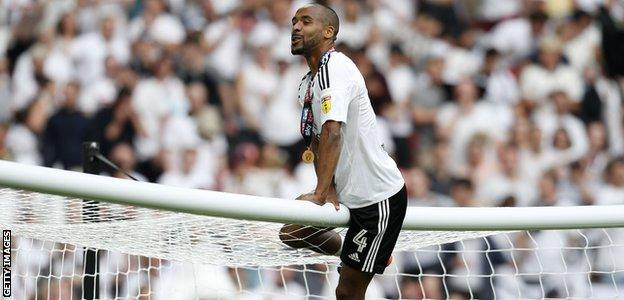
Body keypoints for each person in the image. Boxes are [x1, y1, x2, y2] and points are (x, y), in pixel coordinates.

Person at [279, 4, 407, 299]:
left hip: (378, 198)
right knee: (291, 233)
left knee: (347, 293)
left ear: (328, 32)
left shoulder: (336, 69)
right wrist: (331, 190)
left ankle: (371, 252)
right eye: (294, 21)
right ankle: (363, 252)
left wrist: (321, 193)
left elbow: (333, 131)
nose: (296, 27)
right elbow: (316, 142)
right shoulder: (307, 84)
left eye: (306, 22)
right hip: (349, 194)